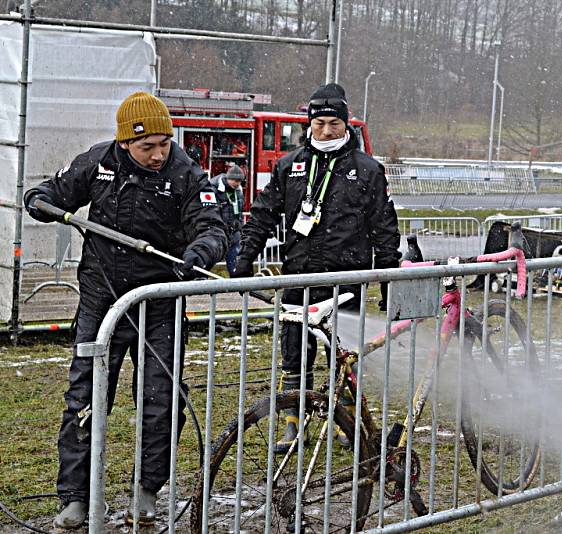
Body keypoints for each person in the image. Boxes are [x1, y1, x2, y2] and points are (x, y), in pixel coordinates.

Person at [24, 92, 228, 529]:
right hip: (102, 299)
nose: (157, 155)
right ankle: (76, 495)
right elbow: (53, 193)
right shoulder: (97, 163)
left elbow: (214, 226)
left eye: (163, 144)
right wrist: (39, 199)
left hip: (159, 303)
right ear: (124, 143)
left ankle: (146, 489)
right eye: (146, 146)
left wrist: (201, 250)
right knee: (86, 397)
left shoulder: (186, 173)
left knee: (159, 400)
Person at [231, 83, 401, 452]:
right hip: (299, 275)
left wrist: (389, 282)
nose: (326, 131)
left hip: (347, 279)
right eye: (320, 123)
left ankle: (347, 422)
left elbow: (384, 229)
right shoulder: (289, 166)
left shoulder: (368, 169)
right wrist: (243, 260)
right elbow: (261, 216)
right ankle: (295, 423)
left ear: (346, 125)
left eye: (334, 124)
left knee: (344, 355)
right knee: (294, 351)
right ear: (309, 124)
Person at [210, 164, 245, 276]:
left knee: (234, 260)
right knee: (211, 257)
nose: (238, 184)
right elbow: (210, 211)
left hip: (234, 232)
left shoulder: (238, 190)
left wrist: (240, 227)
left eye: (240, 181)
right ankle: (200, 280)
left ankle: (237, 282)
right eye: (235, 181)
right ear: (228, 178)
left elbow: (239, 211)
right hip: (218, 231)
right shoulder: (214, 188)